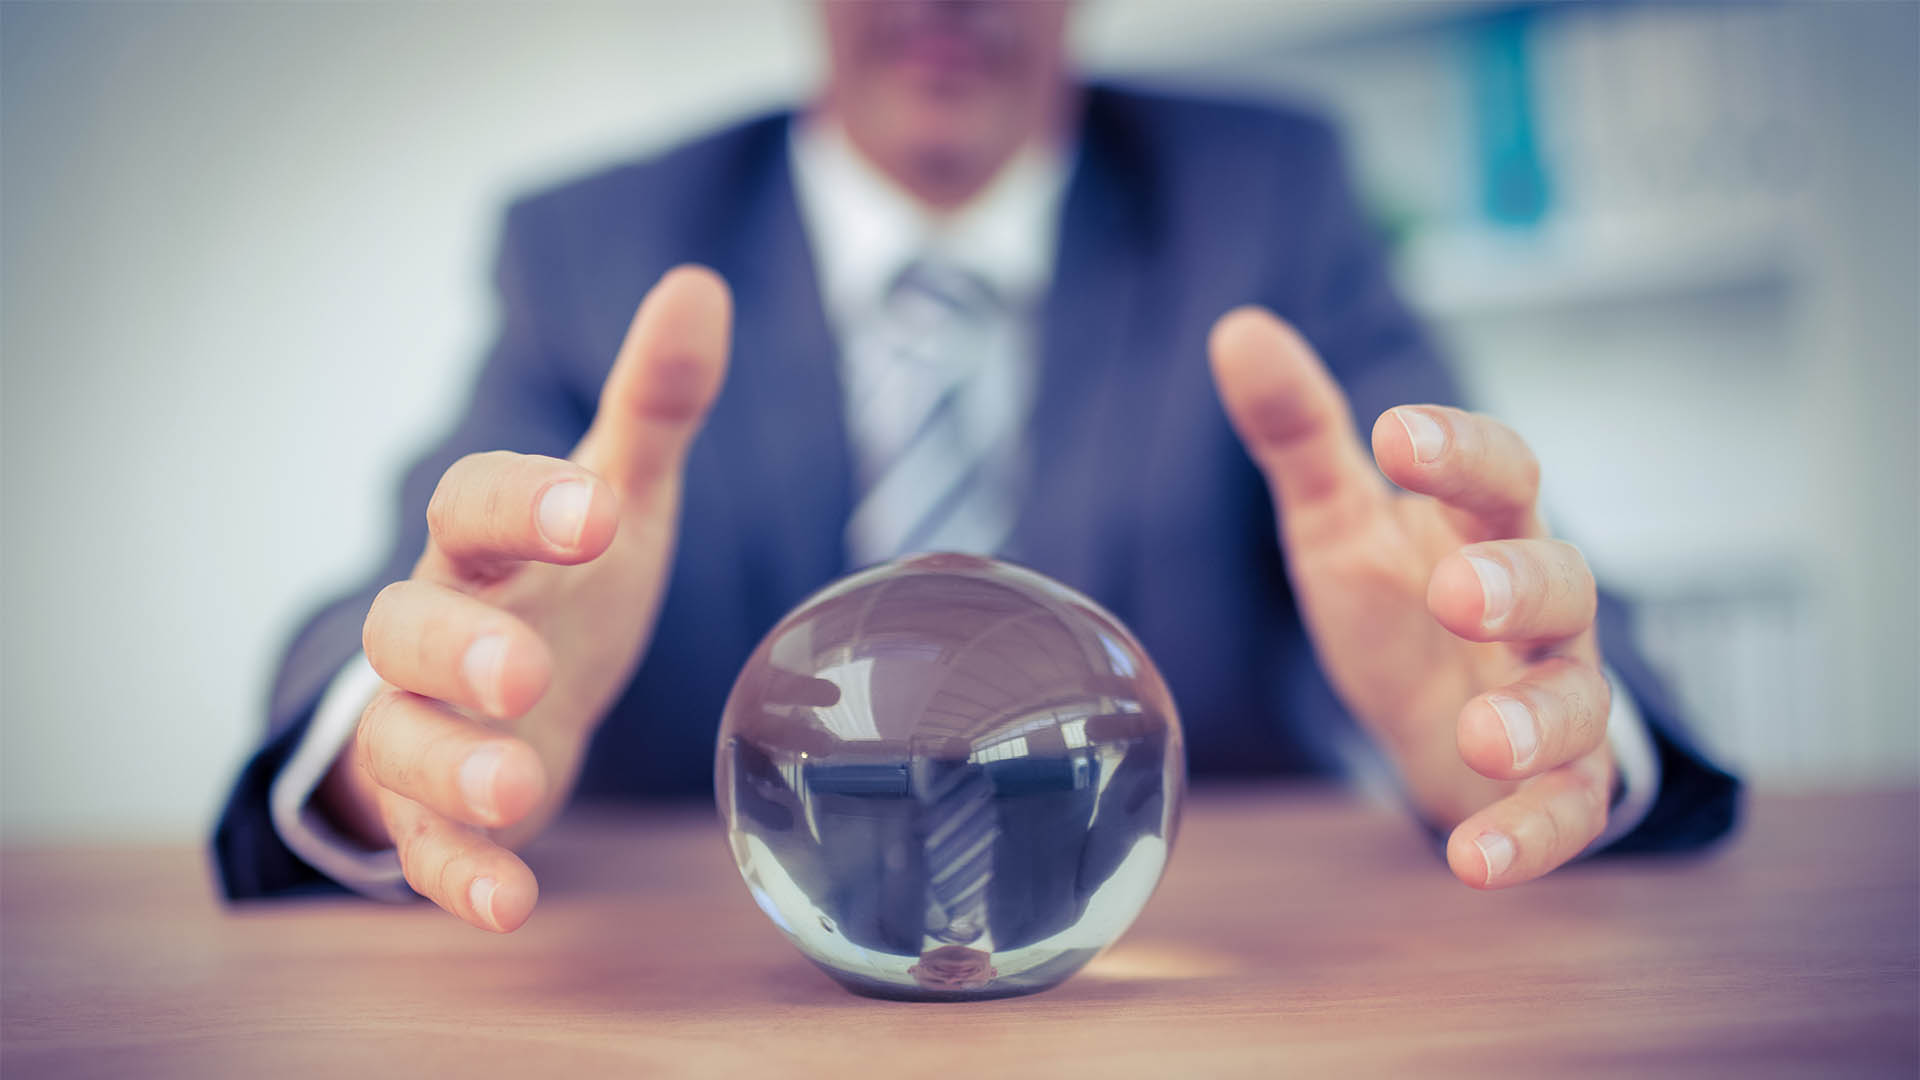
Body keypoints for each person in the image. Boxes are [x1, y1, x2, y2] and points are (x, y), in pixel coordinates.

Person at [215, 0, 1737, 932]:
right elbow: (404, 599)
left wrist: (1528, 723)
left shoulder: (1269, 194)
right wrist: (397, 739)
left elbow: (1517, 588)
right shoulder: (596, 240)